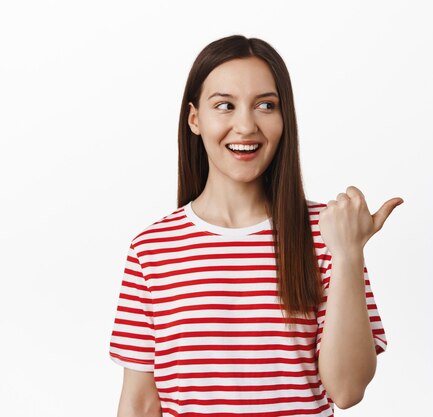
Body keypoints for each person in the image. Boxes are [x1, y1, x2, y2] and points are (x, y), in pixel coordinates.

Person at [108, 34, 404, 417]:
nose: (245, 125)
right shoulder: (152, 249)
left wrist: (348, 253)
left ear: (285, 119)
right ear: (195, 119)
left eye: (266, 105)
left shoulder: (328, 233)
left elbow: (347, 390)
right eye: (225, 106)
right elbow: (140, 401)